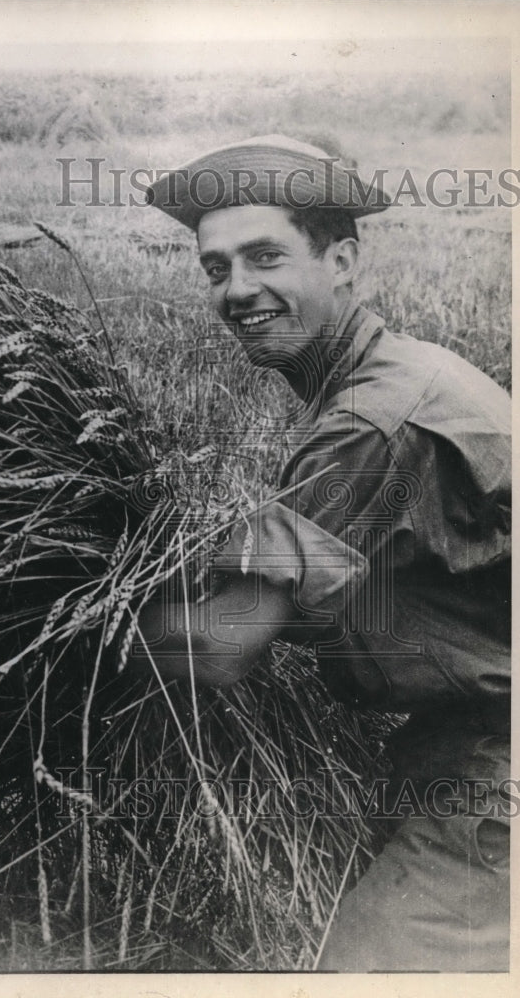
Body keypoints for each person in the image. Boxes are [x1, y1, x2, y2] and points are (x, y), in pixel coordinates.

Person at [132, 134, 511, 971]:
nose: (237, 290)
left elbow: (220, 646)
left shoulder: (367, 423)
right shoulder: (399, 373)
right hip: (452, 745)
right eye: (215, 268)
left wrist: (79, 622)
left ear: (340, 260)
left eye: (265, 256)